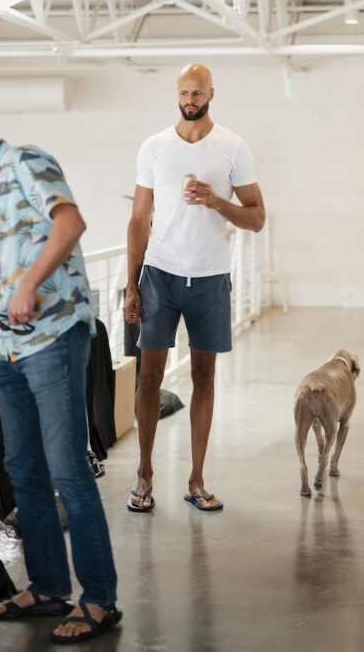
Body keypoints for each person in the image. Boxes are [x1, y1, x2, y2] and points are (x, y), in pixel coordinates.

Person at [0, 102, 121, 645]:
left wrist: (30, 283)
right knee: (22, 469)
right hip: (5, 348)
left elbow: (71, 221)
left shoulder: (24, 162)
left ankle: (100, 598)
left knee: (66, 470)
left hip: (54, 336)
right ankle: (49, 585)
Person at [124, 63, 265, 513]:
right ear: (177, 93)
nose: (190, 99)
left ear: (211, 93)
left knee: (205, 377)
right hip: (160, 275)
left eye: (197, 92)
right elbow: (137, 219)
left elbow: (258, 217)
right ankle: (144, 475)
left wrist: (215, 201)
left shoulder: (232, 147)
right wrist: (131, 284)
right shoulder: (153, 147)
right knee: (149, 379)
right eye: (184, 92)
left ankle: (197, 479)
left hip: (209, 276)